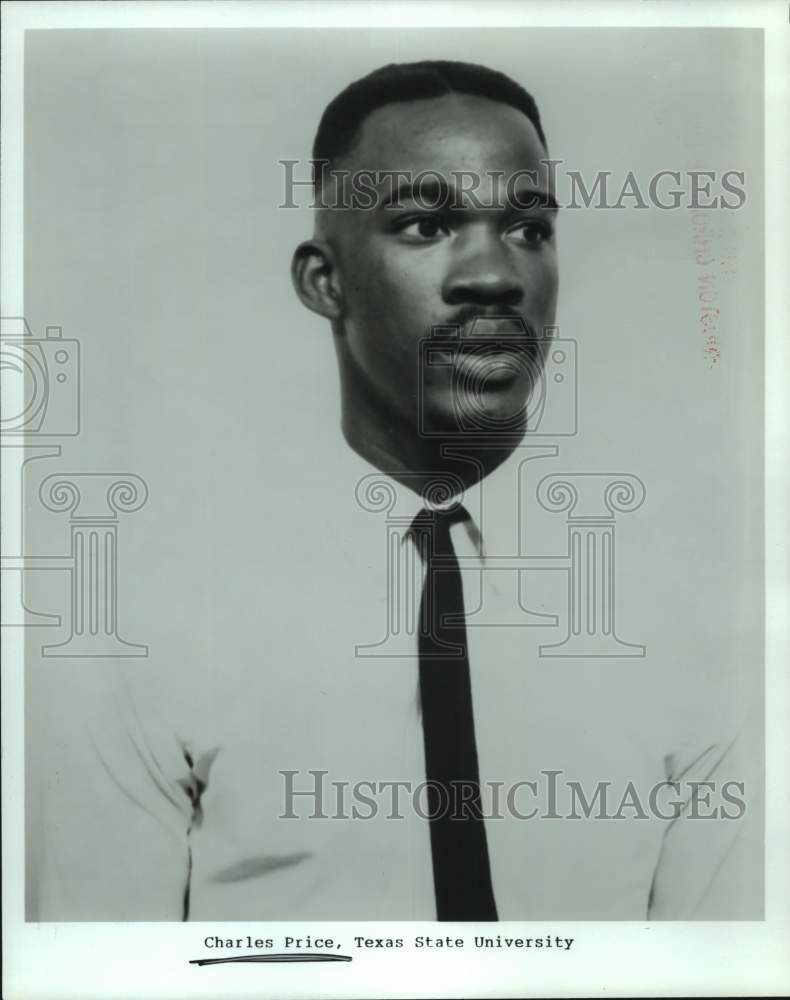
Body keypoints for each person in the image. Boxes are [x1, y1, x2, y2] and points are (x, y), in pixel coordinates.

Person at [31, 60, 761, 922]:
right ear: (323, 282)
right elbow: (99, 967)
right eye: (425, 224)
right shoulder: (147, 623)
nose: (495, 276)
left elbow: (722, 966)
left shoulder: (700, 618)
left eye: (529, 228)